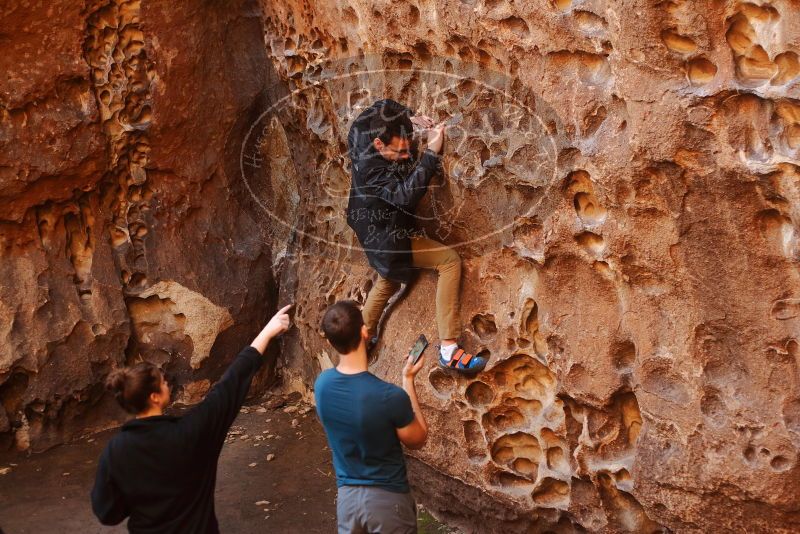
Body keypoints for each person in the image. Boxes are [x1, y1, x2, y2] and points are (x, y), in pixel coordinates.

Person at [90, 304, 293, 533]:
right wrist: (266, 332)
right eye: (162, 381)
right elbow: (230, 385)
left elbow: (107, 513)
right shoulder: (193, 431)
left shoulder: (117, 450)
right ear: (155, 397)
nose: (167, 381)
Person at [346, 98, 487, 373]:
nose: (404, 156)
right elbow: (405, 196)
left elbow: (382, 104)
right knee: (448, 261)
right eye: (398, 153)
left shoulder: (362, 130)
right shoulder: (373, 170)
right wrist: (431, 154)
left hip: (364, 220)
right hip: (386, 233)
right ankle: (449, 349)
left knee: (389, 278)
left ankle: (358, 341)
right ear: (379, 145)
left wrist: (410, 116)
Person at [315, 300, 428, 534]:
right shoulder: (389, 396)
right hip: (388, 503)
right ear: (365, 332)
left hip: (347, 501)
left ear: (329, 341)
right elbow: (418, 439)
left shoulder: (322, 385)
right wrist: (408, 381)